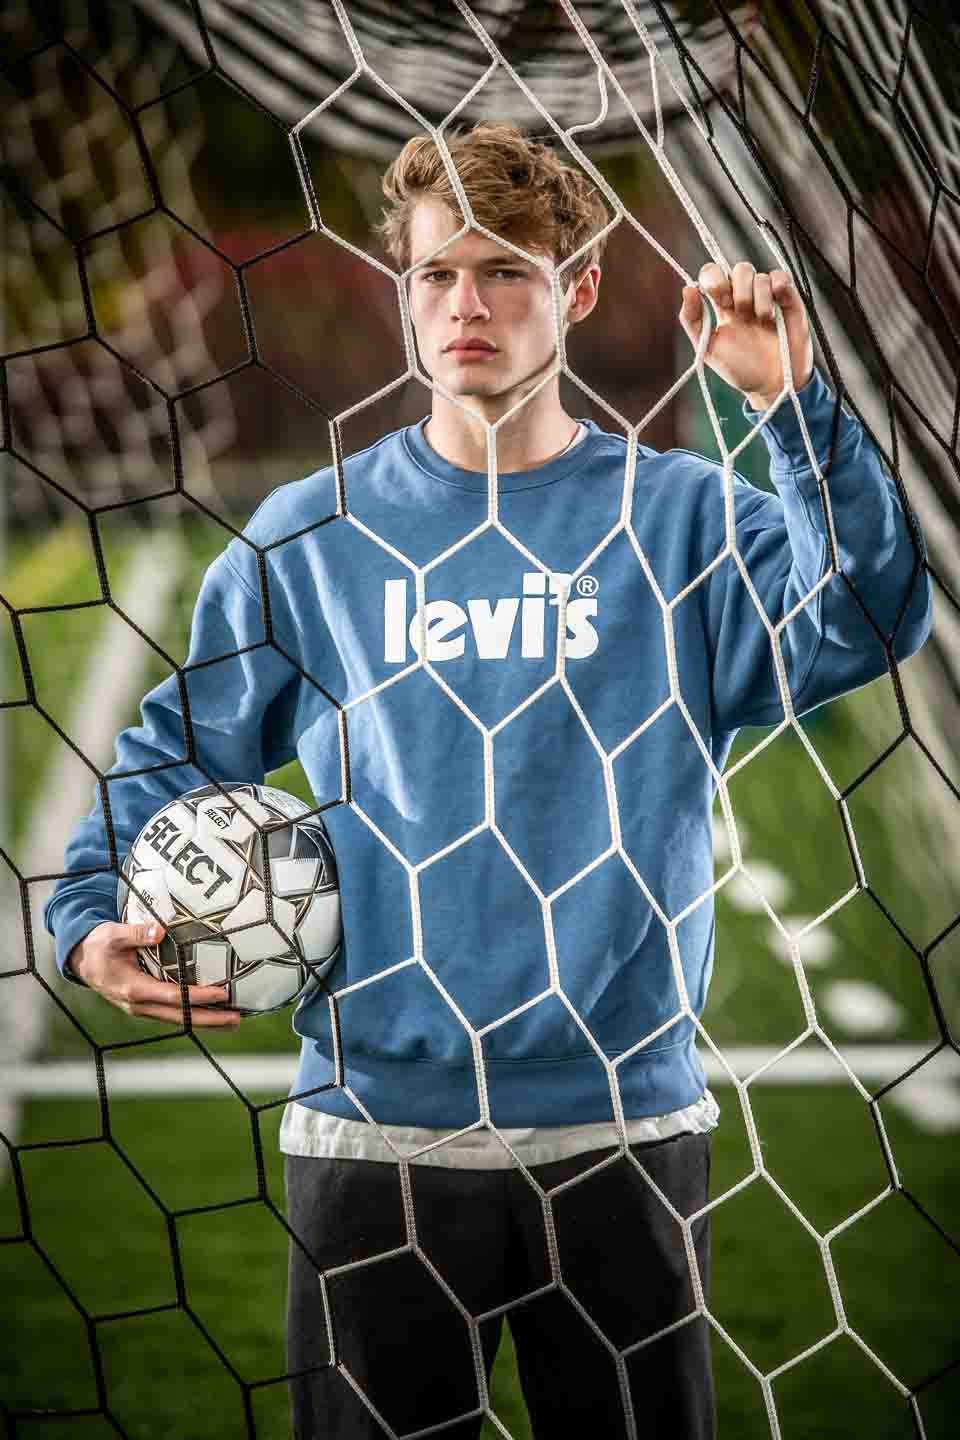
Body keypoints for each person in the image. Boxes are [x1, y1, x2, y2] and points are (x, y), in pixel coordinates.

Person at [45, 123, 931, 1439]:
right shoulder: (316, 534)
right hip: (373, 1144)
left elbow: (864, 613)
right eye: (436, 273)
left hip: (622, 1135)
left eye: (508, 271)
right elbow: (180, 748)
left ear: (574, 292)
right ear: (402, 291)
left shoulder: (679, 517)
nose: (469, 303)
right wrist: (85, 921)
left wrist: (792, 402)